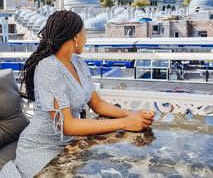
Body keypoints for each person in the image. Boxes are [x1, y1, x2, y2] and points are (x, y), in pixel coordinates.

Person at [0, 10, 154, 178]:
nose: (86, 38)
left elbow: (97, 103)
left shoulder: (78, 63)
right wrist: (125, 123)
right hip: (41, 148)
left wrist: (133, 114)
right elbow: (67, 125)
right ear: (75, 36)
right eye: (85, 32)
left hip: (71, 143)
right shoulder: (48, 67)